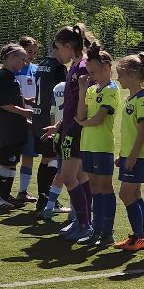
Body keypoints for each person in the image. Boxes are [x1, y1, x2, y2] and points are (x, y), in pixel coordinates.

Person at [51, 25, 97, 236]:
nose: (57, 52)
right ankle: (83, 220)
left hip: (77, 129)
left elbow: (86, 101)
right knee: (81, 177)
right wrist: (61, 123)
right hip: (70, 126)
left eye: (59, 48)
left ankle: (85, 224)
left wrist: (74, 124)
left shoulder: (83, 67)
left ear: (68, 46)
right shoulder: (75, 65)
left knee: (69, 177)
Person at [74, 48, 119, 245]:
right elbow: (81, 114)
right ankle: (96, 230)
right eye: (89, 72)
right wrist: (83, 90)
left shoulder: (112, 90)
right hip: (87, 145)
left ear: (107, 68)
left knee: (105, 187)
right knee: (93, 187)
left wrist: (83, 123)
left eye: (94, 72)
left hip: (102, 146)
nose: (91, 76)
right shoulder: (92, 90)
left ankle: (107, 232)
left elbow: (98, 119)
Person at [114, 53, 144, 250]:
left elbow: (143, 129)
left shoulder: (142, 99)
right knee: (135, 193)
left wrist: (132, 155)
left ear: (132, 75)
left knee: (125, 194)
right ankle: (138, 237)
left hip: (138, 155)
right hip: (130, 154)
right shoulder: (130, 97)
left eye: (121, 75)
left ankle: (139, 237)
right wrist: (123, 155)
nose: (118, 79)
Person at [0, 43, 36, 208]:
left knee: (12, 161)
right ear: (11, 57)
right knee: (5, 161)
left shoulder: (11, 76)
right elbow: (3, 103)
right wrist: (24, 112)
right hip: (7, 127)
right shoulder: (3, 77)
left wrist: (26, 101)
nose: (25, 62)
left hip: (15, 127)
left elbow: (12, 97)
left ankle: (5, 195)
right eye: (22, 59)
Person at [31, 34, 69, 218]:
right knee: (53, 159)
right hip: (51, 119)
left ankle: (44, 199)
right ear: (58, 48)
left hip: (38, 115)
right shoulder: (58, 68)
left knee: (47, 158)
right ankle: (47, 200)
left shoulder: (42, 64)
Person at [13, 35, 43, 204]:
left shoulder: (37, 70)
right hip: (15, 118)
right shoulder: (13, 70)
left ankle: (22, 191)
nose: (31, 55)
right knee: (8, 156)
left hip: (32, 119)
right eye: (28, 51)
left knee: (28, 156)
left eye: (34, 52)